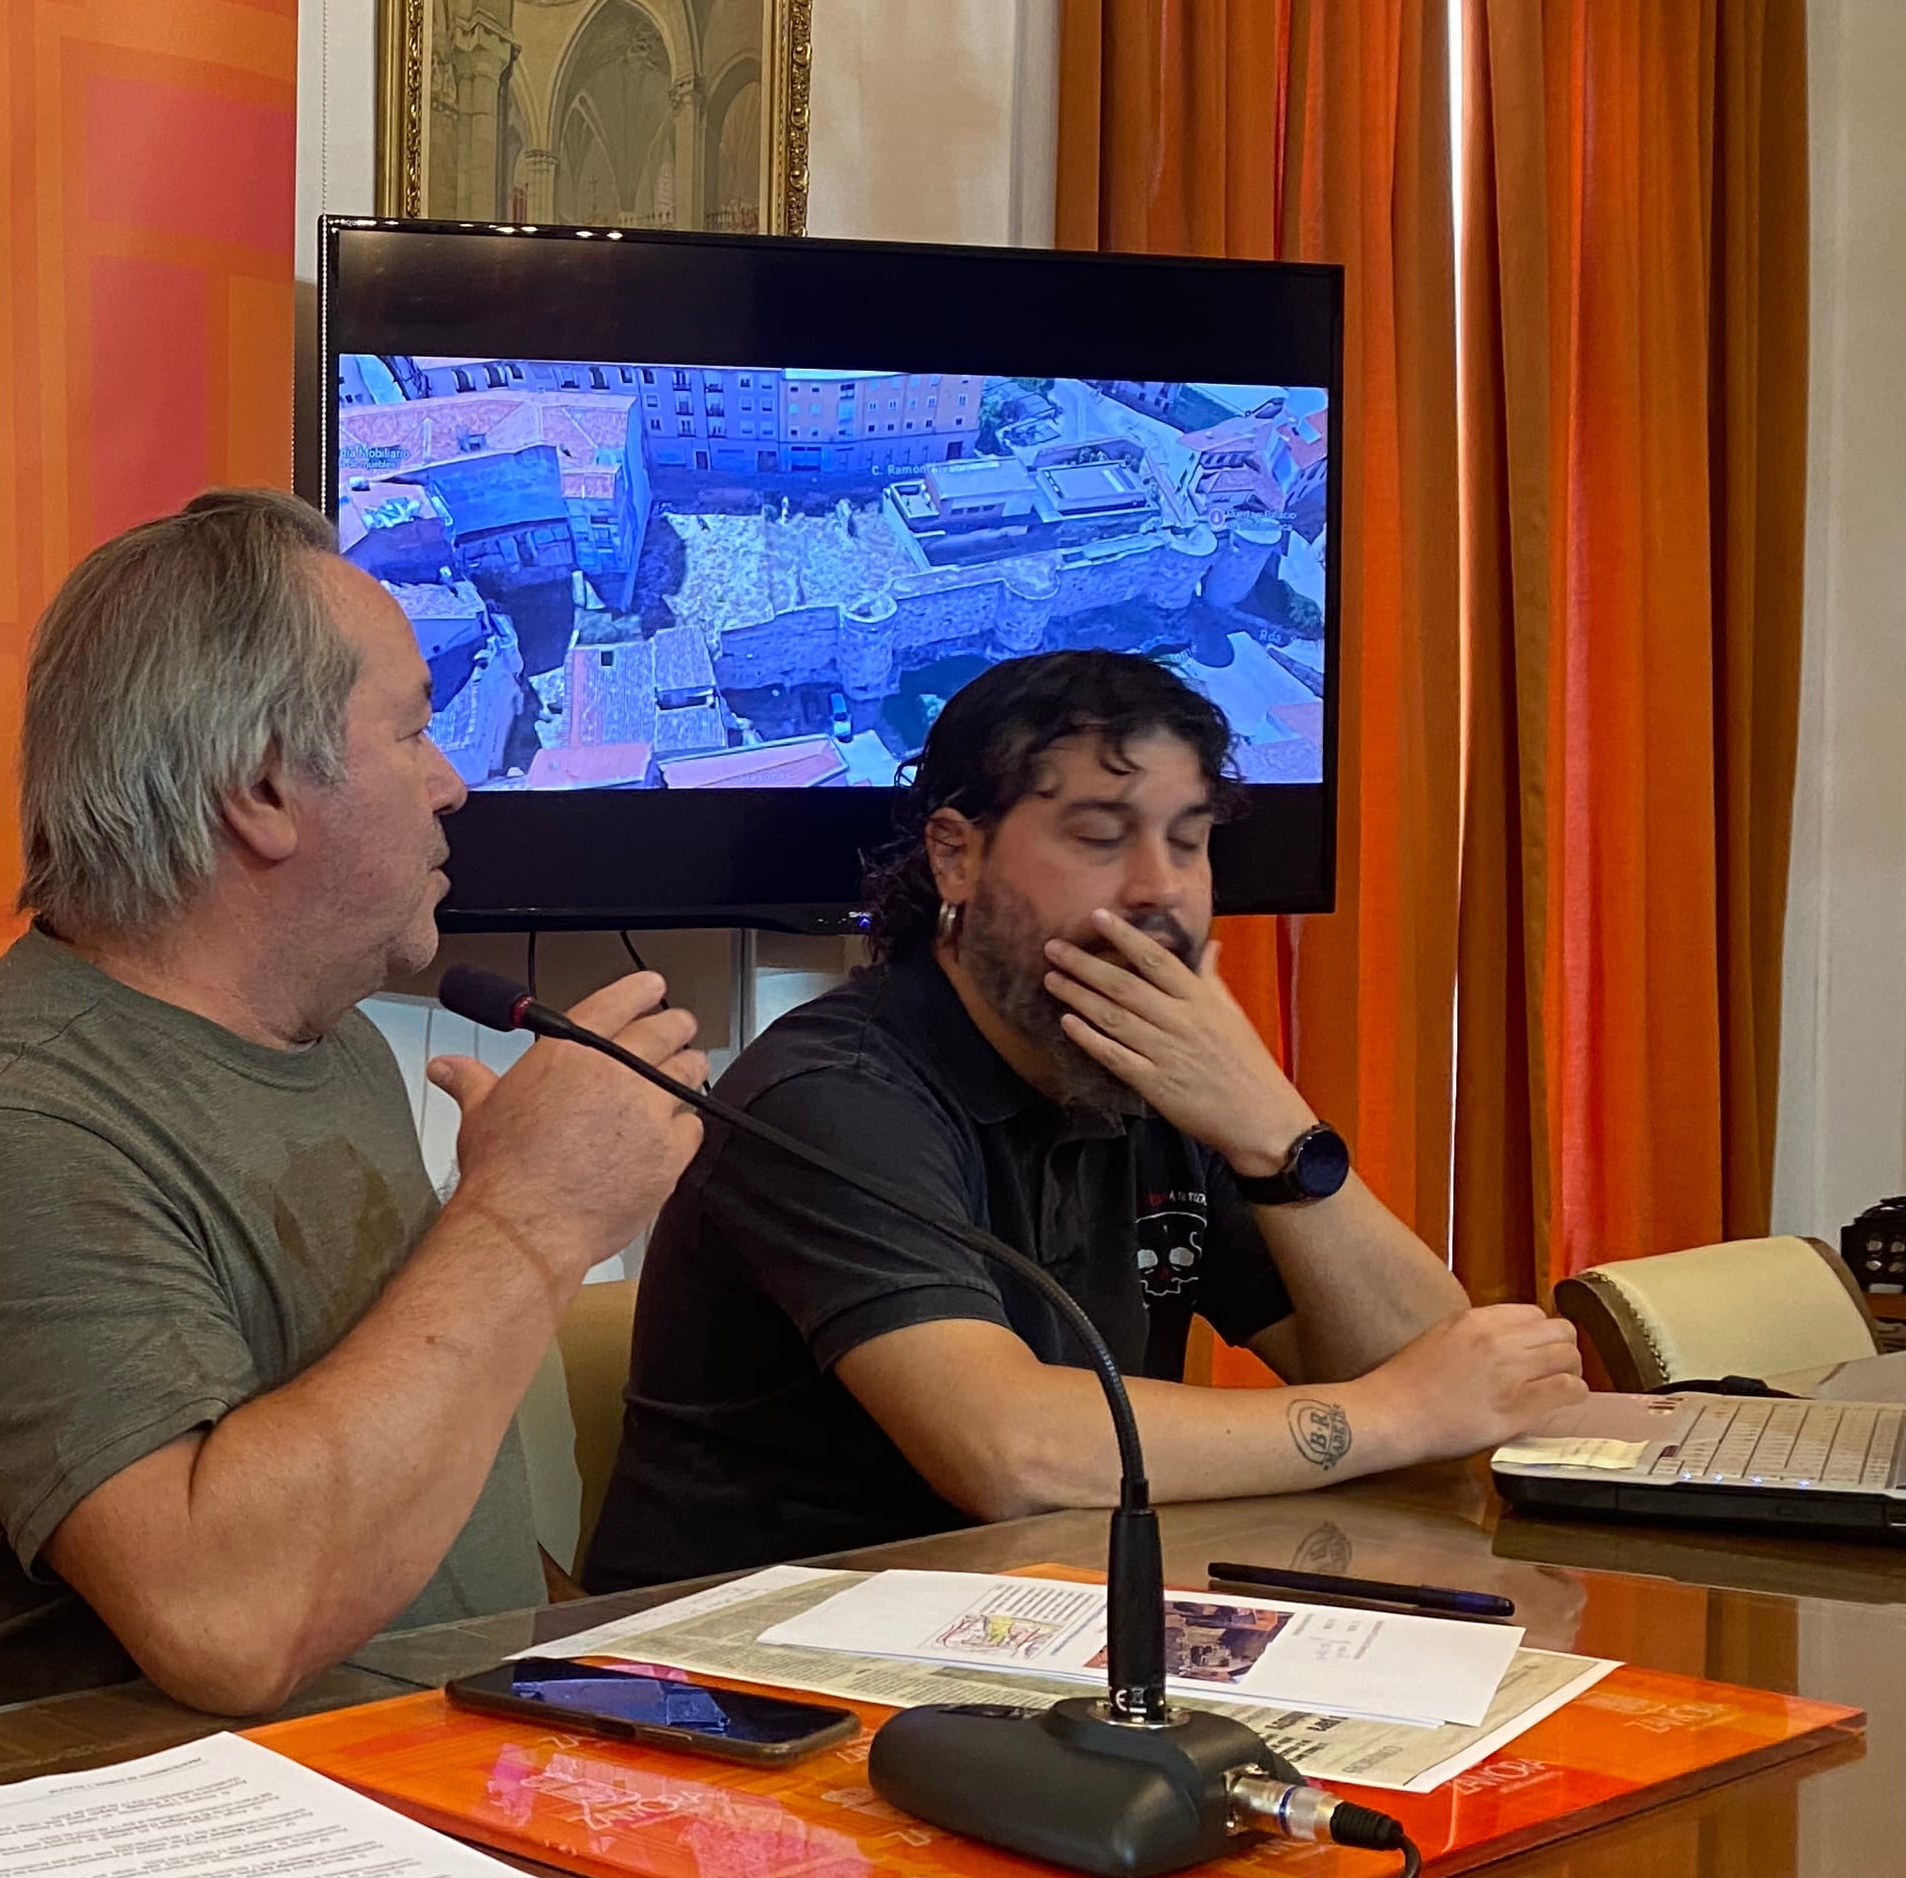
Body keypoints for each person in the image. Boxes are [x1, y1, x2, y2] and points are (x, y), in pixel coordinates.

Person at [0, 488, 701, 1729]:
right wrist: (531, 1217)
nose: (452, 785)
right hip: (133, 1875)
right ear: (263, 790)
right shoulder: (6, 1135)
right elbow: (230, 1626)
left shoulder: (330, 1047)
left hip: (421, 1797)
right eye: (411, 734)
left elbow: (431, 1532)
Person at [583, 647, 1583, 1593]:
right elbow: (1012, 1451)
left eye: (1189, 842)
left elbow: (1443, 1383)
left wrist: (1275, 1128)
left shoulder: (1167, 1083)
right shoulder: (829, 1090)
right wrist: (1394, 1415)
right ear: (955, 858)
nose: (1160, 888)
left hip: (1029, 1636)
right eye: (1101, 838)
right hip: (737, 1683)